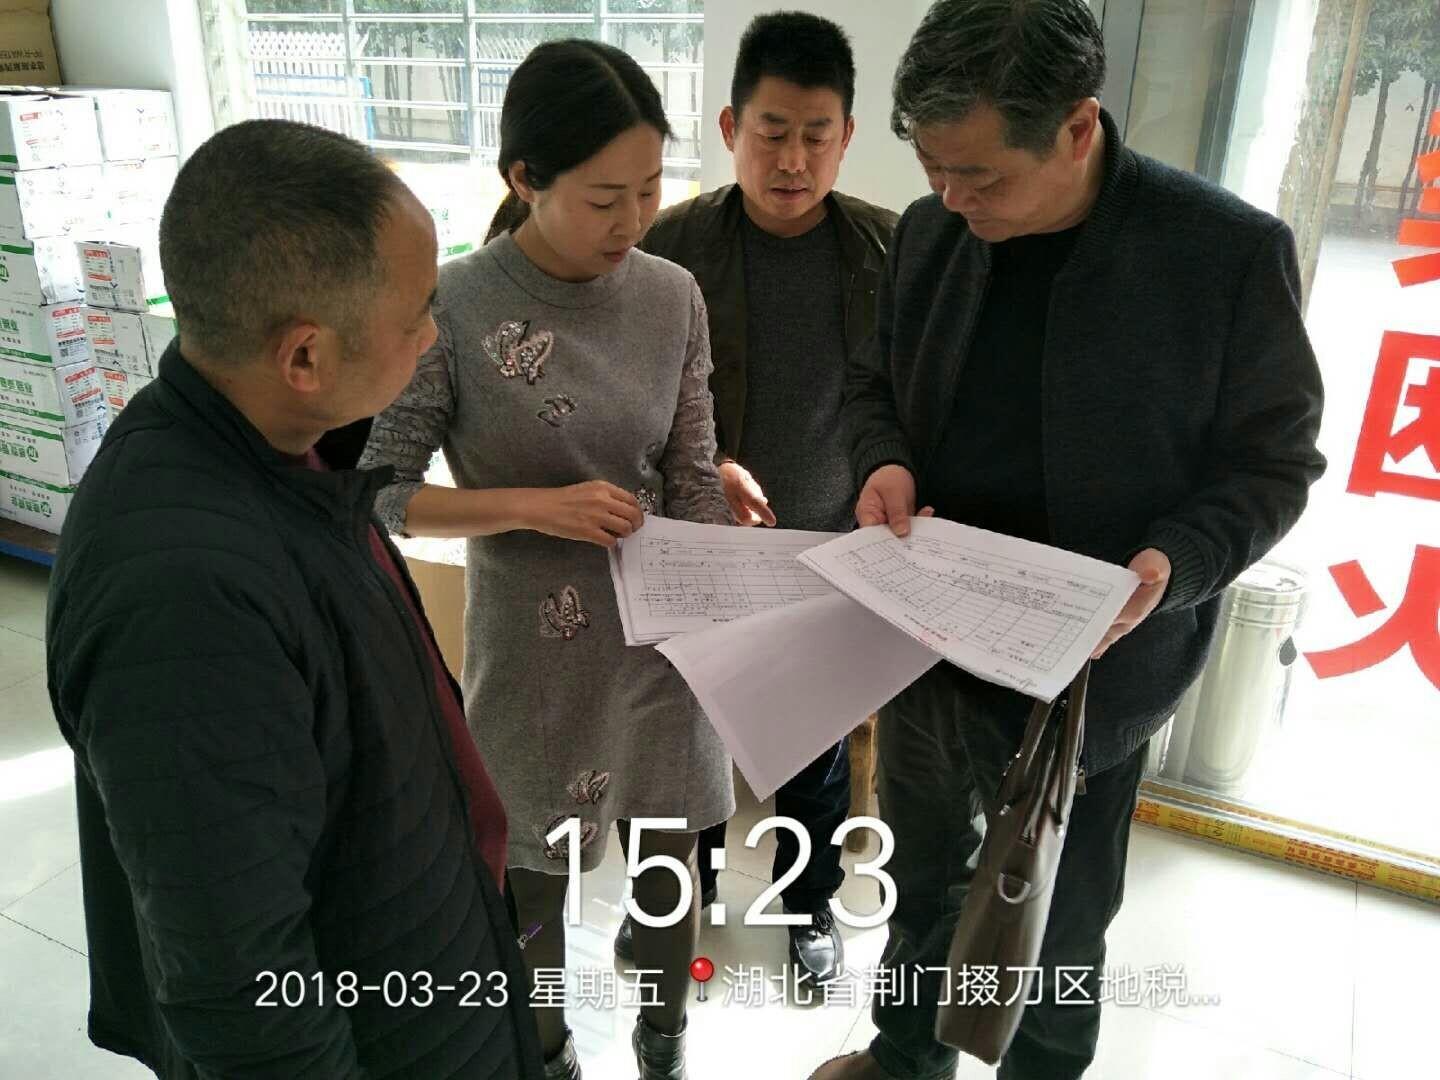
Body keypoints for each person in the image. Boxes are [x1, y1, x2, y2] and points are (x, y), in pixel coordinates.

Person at [811, 1, 1326, 1078]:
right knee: (917, 886)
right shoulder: (931, 233)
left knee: (1053, 926)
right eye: (934, 169)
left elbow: (1274, 464)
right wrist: (885, 460)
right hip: (930, 640)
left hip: (1092, 670)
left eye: (981, 177)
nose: (953, 199)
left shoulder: (1224, 254)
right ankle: (903, 1059)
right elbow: (872, 387)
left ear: (1078, 126)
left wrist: (1175, 563)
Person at [46, 119, 543, 1079]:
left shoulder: (288, 446)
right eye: (417, 315)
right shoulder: (181, 598)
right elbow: (243, 993)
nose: (432, 335)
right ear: (304, 356)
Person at [358, 40, 733, 1080]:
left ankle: (664, 1039)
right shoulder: (454, 306)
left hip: (662, 645)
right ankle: (544, 1052)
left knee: (669, 875)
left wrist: (735, 563)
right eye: (606, 197)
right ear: (525, 178)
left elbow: (691, 473)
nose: (635, 219)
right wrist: (536, 508)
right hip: (534, 654)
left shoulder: (673, 296)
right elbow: (380, 489)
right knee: (534, 886)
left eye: (651, 189)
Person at [612, 10, 898, 987]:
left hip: (829, 550)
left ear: (847, 137)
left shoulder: (888, 250)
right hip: (698, 546)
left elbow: (907, 404)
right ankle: (666, 901)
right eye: (772, 132)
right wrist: (707, 468)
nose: (793, 159)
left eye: (817, 135)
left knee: (812, 749)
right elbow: (633, 402)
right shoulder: (671, 246)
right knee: (674, 743)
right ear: (732, 127)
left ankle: (808, 909)